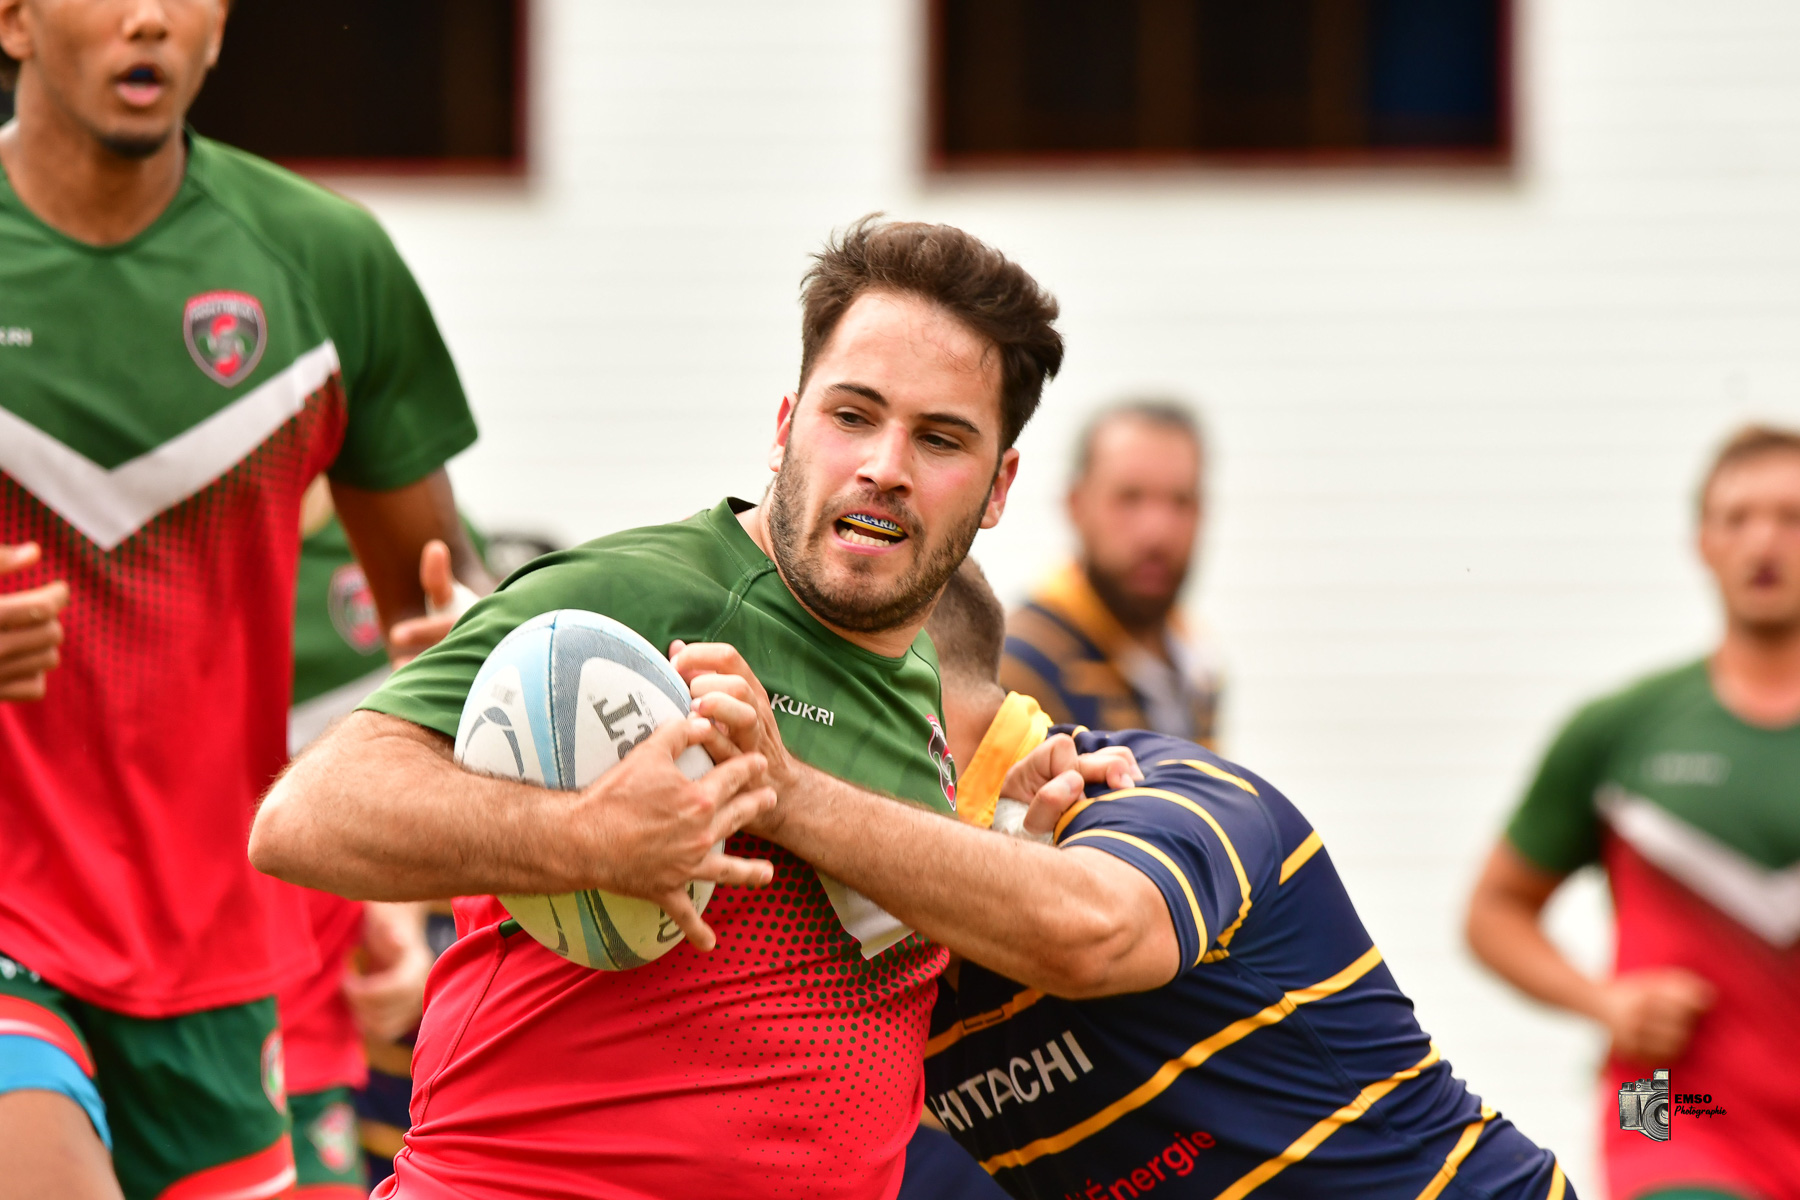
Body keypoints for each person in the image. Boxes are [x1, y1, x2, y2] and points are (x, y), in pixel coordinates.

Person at [249, 216, 1065, 1199]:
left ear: (998, 487)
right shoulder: (642, 597)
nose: (885, 465)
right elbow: (304, 817)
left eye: (938, 438)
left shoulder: (931, 684)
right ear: (785, 426)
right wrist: (587, 836)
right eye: (853, 415)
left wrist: (1020, 830)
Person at [0, 3, 487, 1197]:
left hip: (216, 960)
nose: (150, 17)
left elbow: (441, 624)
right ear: (13, 18)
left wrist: (466, 693)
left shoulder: (327, 262)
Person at [682, 558, 1573, 1199]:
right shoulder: (883, 928)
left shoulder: (1141, 793)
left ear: (880, 688)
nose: (774, 733)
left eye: (790, 702)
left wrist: (792, 794)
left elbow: (1092, 932)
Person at [1466, 425, 1800, 1200]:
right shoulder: (1622, 730)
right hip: (1668, 1109)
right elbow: (1493, 912)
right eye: (1739, 517)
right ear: (1703, 544)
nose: (1765, 540)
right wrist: (1603, 1002)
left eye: (1791, 516)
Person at [1001, 400, 1221, 741]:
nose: (1157, 532)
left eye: (1181, 501)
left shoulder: (1195, 659)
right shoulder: (1020, 667)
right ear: (1076, 505)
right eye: (1129, 498)